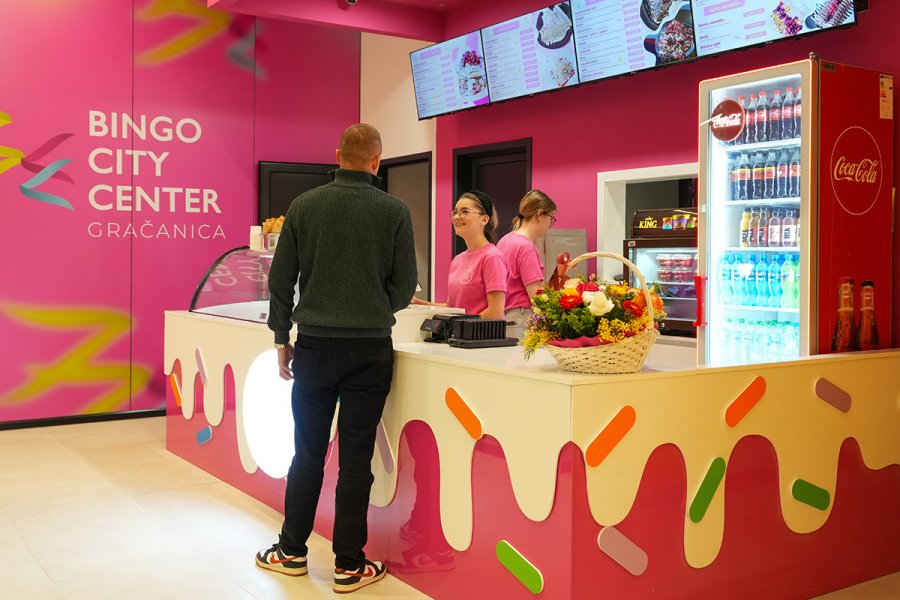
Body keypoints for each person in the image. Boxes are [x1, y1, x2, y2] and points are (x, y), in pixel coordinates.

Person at [258, 123, 418, 594]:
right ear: (376, 161)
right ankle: (349, 565)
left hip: (313, 347)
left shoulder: (305, 206)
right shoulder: (394, 210)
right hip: (370, 351)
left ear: (337, 156)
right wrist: (374, 309)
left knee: (307, 453)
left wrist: (281, 336)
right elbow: (405, 285)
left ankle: (291, 552)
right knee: (355, 460)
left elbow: (280, 279)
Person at [412, 190, 507, 319]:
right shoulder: (458, 259)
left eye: (465, 212)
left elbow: (495, 312)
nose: (457, 217)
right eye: (455, 212)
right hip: (460, 331)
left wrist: (458, 324)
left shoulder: (492, 257)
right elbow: (452, 307)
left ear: (484, 219)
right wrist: (418, 302)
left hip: (479, 332)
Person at [496, 189, 558, 339]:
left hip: (505, 316)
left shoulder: (504, 241)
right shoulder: (526, 247)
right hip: (522, 318)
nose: (550, 225)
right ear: (540, 214)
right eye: (551, 219)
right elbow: (536, 294)